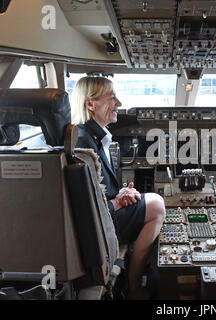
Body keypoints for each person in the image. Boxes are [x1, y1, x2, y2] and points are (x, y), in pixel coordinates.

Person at [71, 76, 166, 299]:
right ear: (90, 104)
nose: (119, 103)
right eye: (112, 97)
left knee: (150, 201)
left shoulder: (90, 135)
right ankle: (132, 288)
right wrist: (117, 201)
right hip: (98, 226)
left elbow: (97, 191)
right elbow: (88, 207)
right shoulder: (84, 142)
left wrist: (121, 194)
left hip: (104, 215)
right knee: (157, 205)